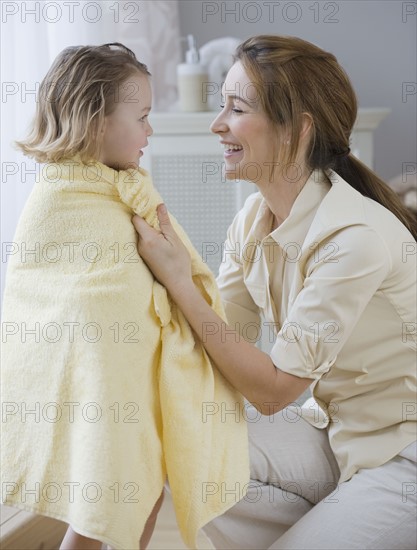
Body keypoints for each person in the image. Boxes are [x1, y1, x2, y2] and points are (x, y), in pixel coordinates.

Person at [132, 35, 417, 549]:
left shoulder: (355, 238)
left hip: (404, 456)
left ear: (298, 129)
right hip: (336, 433)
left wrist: (179, 280)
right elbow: (224, 339)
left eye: (236, 109)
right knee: (180, 437)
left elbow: (272, 390)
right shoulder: (253, 219)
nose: (217, 124)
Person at [1, 43, 249, 550]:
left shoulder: (125, 190)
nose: (150, 131)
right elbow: (61, 298)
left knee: (139, 490)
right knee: (104, 501)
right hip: (103, 386)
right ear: (95, 122)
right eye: (142, 117)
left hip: (132, 383)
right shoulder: (62, 200)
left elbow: (153, 276)